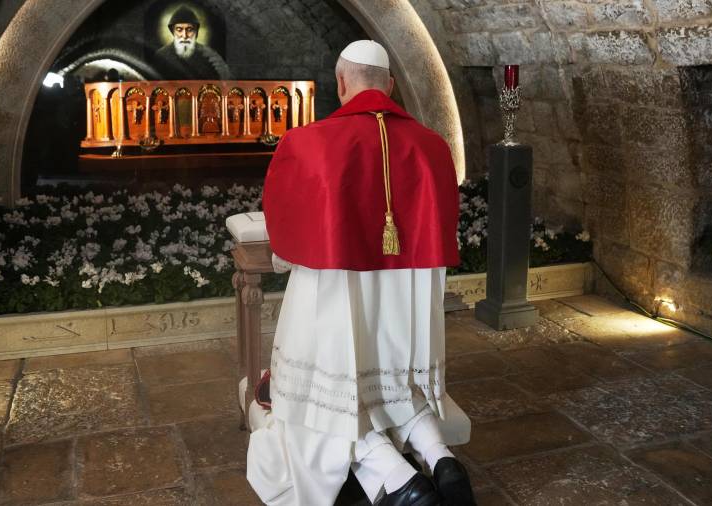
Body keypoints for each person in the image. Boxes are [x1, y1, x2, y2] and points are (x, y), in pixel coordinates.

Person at [247, 40, 476, 506]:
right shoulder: (434, 148)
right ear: (390, 86)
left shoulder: (306, 144)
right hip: (404, 313)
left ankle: (398, 480)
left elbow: (282, 226)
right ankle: (440, 457)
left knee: (311, 397)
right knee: (392, 383)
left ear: (340, 84)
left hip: (336, 300)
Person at [153, 6, 231, 80]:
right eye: (179, 30)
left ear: (196, 32)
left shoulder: (209, 55)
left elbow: (225, 79)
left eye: (189, 29)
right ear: (173, 31)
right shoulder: (161, 55)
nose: (184, 35)